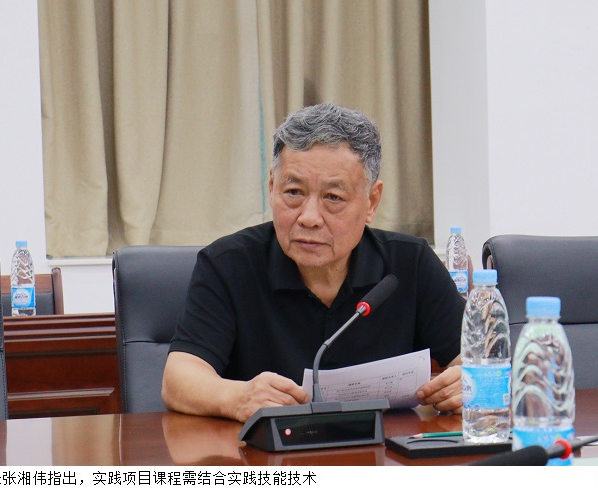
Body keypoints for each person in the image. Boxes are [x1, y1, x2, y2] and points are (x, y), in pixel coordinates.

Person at [162, 103, 465, 423]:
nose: (309, 217)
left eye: (333, 198)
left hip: (385, 451)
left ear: (371, 201)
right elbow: (179, 378)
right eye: (293, 192)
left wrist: (470, 382)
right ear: (272, 187)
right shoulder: (228, 265)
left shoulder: (410, 264)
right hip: (266, 452)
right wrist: (236, 397)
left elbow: (481, 359)